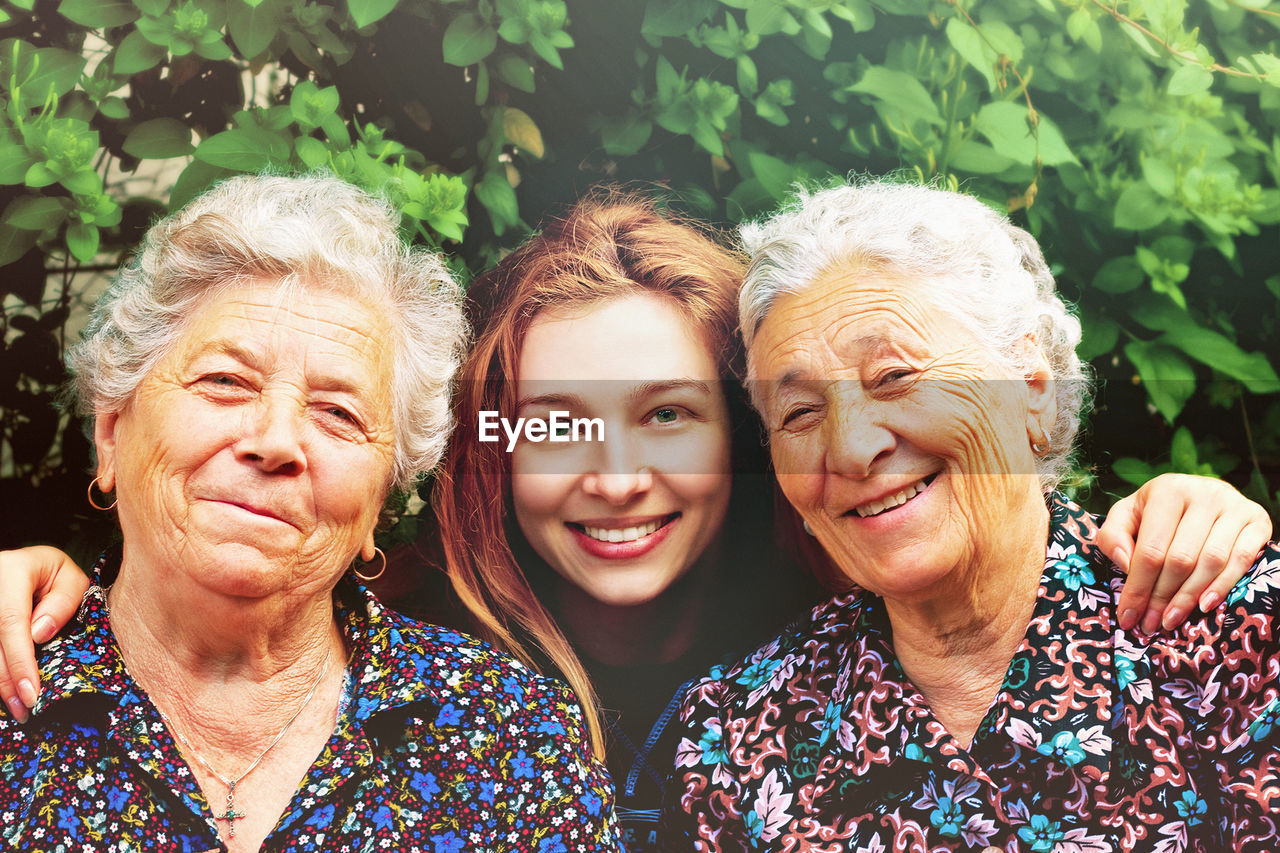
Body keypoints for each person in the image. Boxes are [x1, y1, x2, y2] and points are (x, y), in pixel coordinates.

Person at [0, 190, 1269, 852]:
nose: (609, 469)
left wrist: (1187, 511)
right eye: (556, 419)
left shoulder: (874, 615)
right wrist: (50, 574)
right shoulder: (412, 644)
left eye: (667, 414)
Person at [0, 174, 616, 852]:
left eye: (338, 413)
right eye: (225, 381)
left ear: (383, 496)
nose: (274, 441)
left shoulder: (507, 732)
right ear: (112, 429)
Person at [659, 179, 1280, 851]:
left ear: (1034, 389)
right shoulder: (738, 734)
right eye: (800, 413)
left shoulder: (1232, 629)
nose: (851, 447)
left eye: (895, 376)